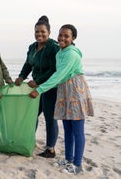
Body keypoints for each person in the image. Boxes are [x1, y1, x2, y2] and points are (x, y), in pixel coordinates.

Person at [30, 24, 94, 174]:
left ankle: (77, 166)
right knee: (67, 128)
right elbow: (58, 75)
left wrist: (39, 89)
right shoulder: (60, 52)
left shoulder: (71, 54)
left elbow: (58, 75)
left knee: (77, 130)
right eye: (61, 35)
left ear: (73, 39)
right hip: (64, 91)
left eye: (66, 36)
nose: (62, 38)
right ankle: (68, 159)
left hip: (75, 91)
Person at [15, 15, 60, 158]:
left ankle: (50, 149)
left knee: (49, 118)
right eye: (37, 32)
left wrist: (38, 81)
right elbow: (28, 64)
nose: (39, 34)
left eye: (43, 32)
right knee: (31, 114)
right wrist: (22, 76)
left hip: (50, 88)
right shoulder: (32, 47)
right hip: (36, 88)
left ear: (49, 33)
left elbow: (54, 69)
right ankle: (29, 140)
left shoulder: (53, 47)